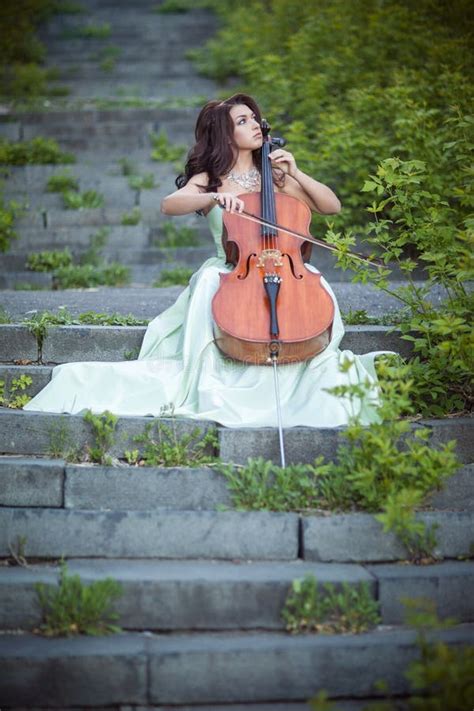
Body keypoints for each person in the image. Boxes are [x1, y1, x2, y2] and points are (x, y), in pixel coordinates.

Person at [24, 93, 383, 427]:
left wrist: (295, 172)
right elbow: (170, 204)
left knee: (315, 282)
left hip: (284, 267)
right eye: (243, 121)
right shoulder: (212, 178)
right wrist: (213, 197)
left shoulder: (274, 177)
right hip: (231, 273)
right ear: (226, 135)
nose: (256, 124)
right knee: (210, 287)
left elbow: (330, 206)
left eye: (255, 119)